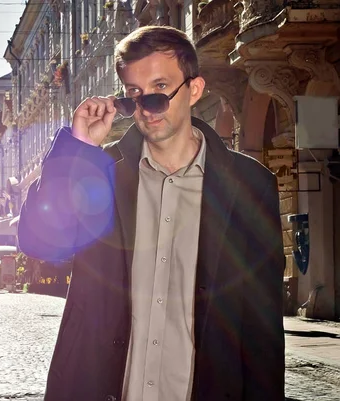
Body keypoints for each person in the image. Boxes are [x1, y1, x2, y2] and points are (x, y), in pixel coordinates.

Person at [17, 26, 285, 401]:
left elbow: (262, 327)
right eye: (134, 95)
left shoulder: (249, 187)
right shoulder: (101, 173)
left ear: (194, 89)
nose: (146, 107)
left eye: (160, 90)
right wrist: (78, 149)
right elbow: (40, 242)